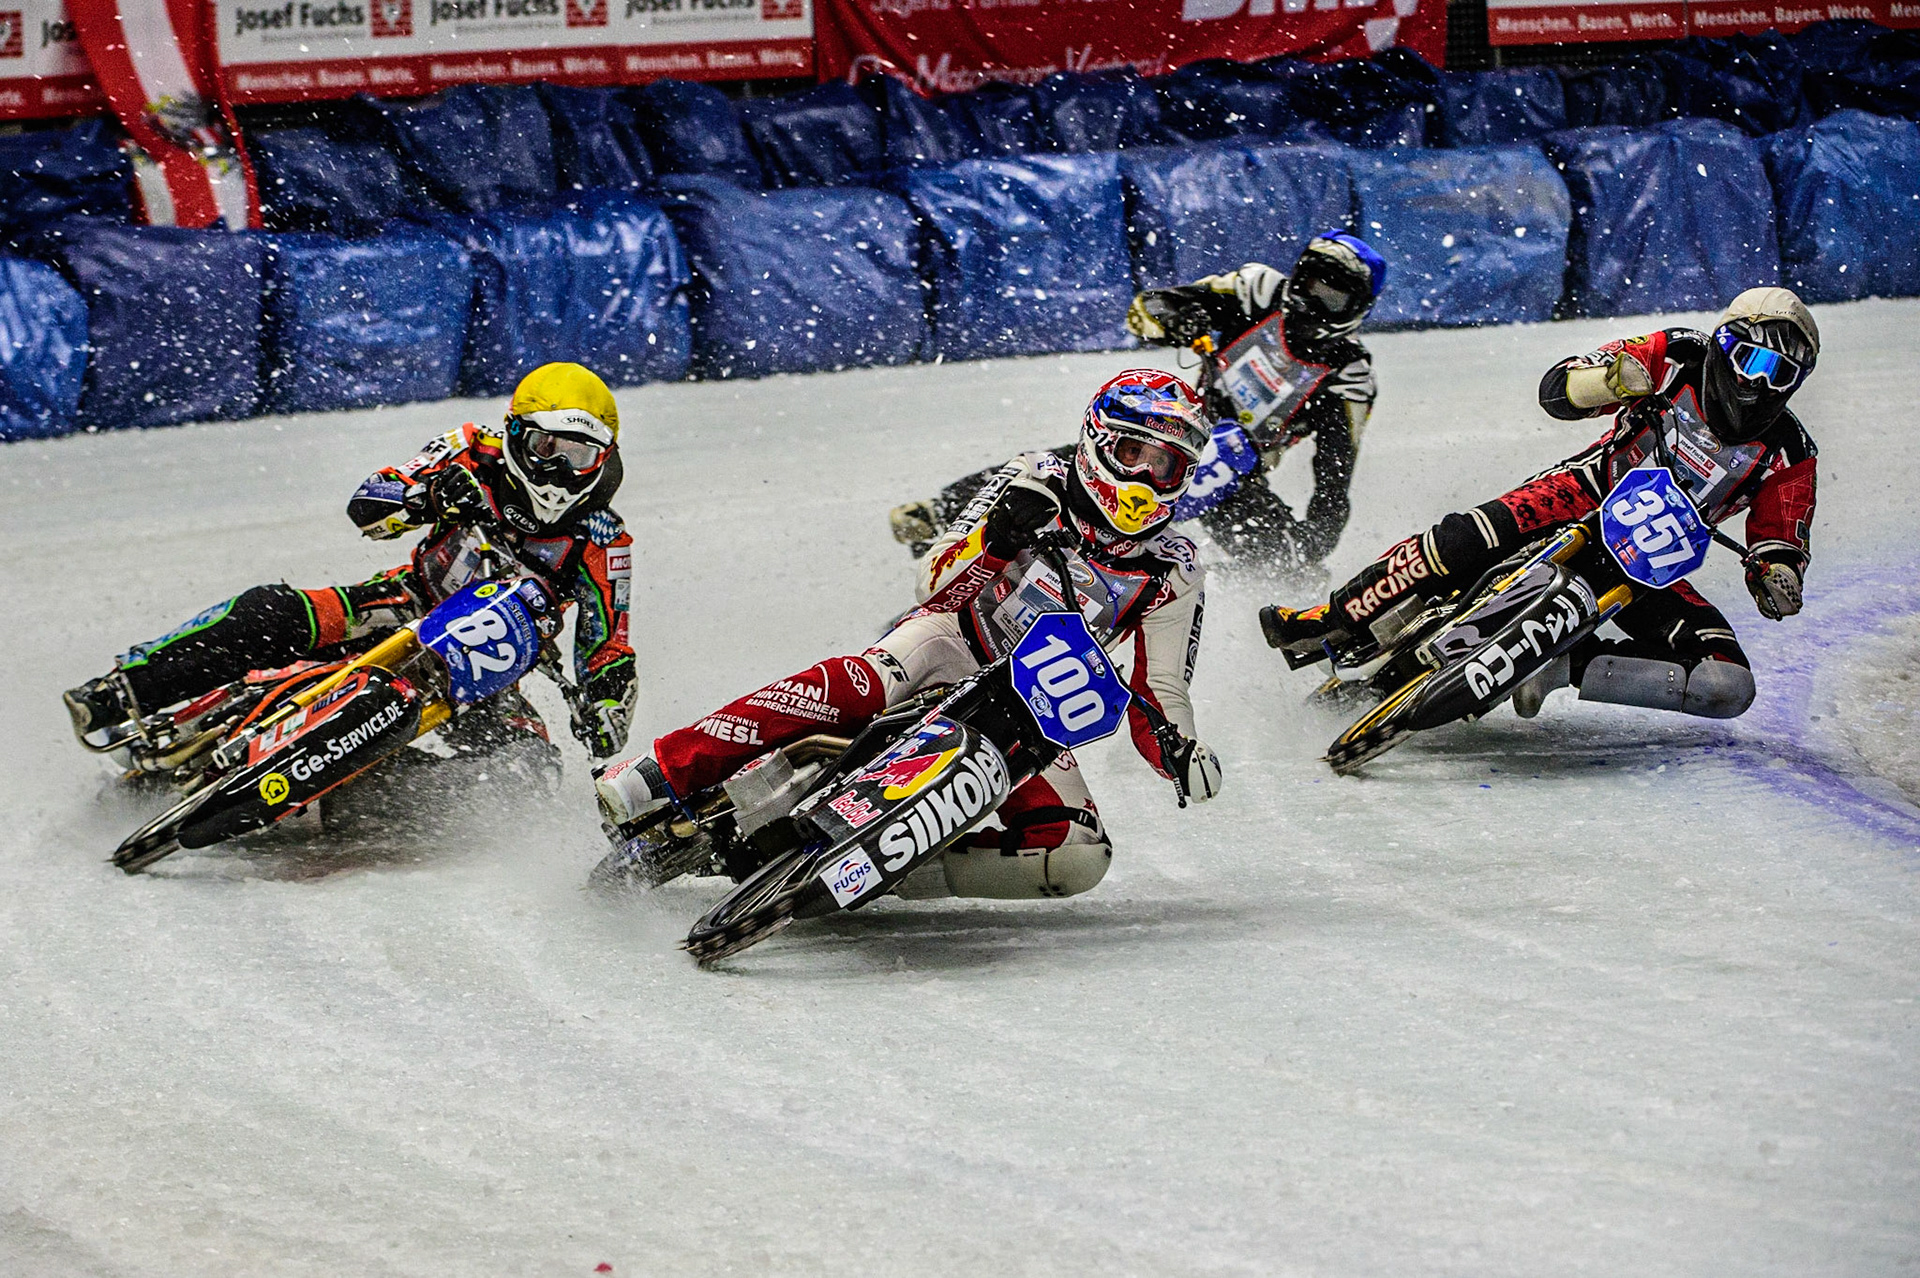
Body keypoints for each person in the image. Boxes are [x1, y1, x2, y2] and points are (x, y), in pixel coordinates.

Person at [596, 369, 1223, 901]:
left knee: (1079, 854)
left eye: (1165, 464)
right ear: (1095, 442)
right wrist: (996, 542)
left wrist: (1182, 753)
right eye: (1132, 453)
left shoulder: (1176, 567)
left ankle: (895, 869)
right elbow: (935, 580)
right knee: (865, 682)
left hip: (1031, 713)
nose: (1144, 477)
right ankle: (665, 768)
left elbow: (1161, 685)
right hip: (950, 640)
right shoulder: (1035, 478)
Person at [1260, 287, 1821, 721]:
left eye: (1782, 374)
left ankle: (1562, 667)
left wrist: (1776, 572)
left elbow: (1781, 537)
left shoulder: (1791, 451)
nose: (1761, 384)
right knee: (1463, 537)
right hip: (1584, 493)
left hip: (1654, 562)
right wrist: (1606, 381)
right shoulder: (1677, 354)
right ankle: (1331, 618)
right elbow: (1558, 390)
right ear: (1723, 345)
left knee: (1728, 685)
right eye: (1752, 361)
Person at [64, 362, 638, 761]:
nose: (561, 471)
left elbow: (608, 642)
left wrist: (608, 706)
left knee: (523, 776)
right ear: (515, 434)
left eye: (579, 455)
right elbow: (370, 501)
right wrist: (429, 498)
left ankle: (361, 805)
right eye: (547, 450)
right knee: (275, 611)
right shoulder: (469, 447)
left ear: (602, 458)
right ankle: (123, 689)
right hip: (402, 602)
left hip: (487, 667)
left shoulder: (605, 541)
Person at [888, 232, 1385, 576]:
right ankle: (946, 512)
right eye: (1308, 284)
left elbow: (1334, 481)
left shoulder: (1350, 377)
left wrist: (1309, 549)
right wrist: (1185, 320)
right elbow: (1146, 310)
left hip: (1236, 472)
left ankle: (1184, 595)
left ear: (1357, 311)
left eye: (1331, 299)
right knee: (1075, 467)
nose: (1310, 303)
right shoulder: (1256, 289)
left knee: (1286, 566)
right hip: (1171, 423)